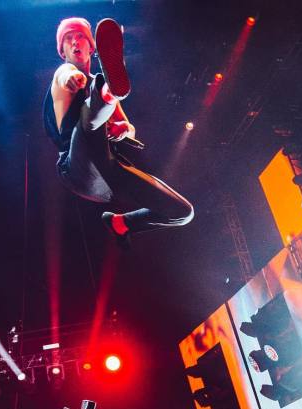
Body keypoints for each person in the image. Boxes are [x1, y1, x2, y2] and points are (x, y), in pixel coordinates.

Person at [43, 17, 194, 247]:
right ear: (62, 50)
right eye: (68, 39)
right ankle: (109, 95)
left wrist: (123, 129)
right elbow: (63, 76)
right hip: (76, 168)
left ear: (91, 46)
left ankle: (121, 225)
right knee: (90, 117)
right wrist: (71, 78)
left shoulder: (98, 82)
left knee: (182, 212)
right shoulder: (63, 74)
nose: (75, 42)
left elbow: (130, 129)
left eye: (80, 36)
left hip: (107, 175)